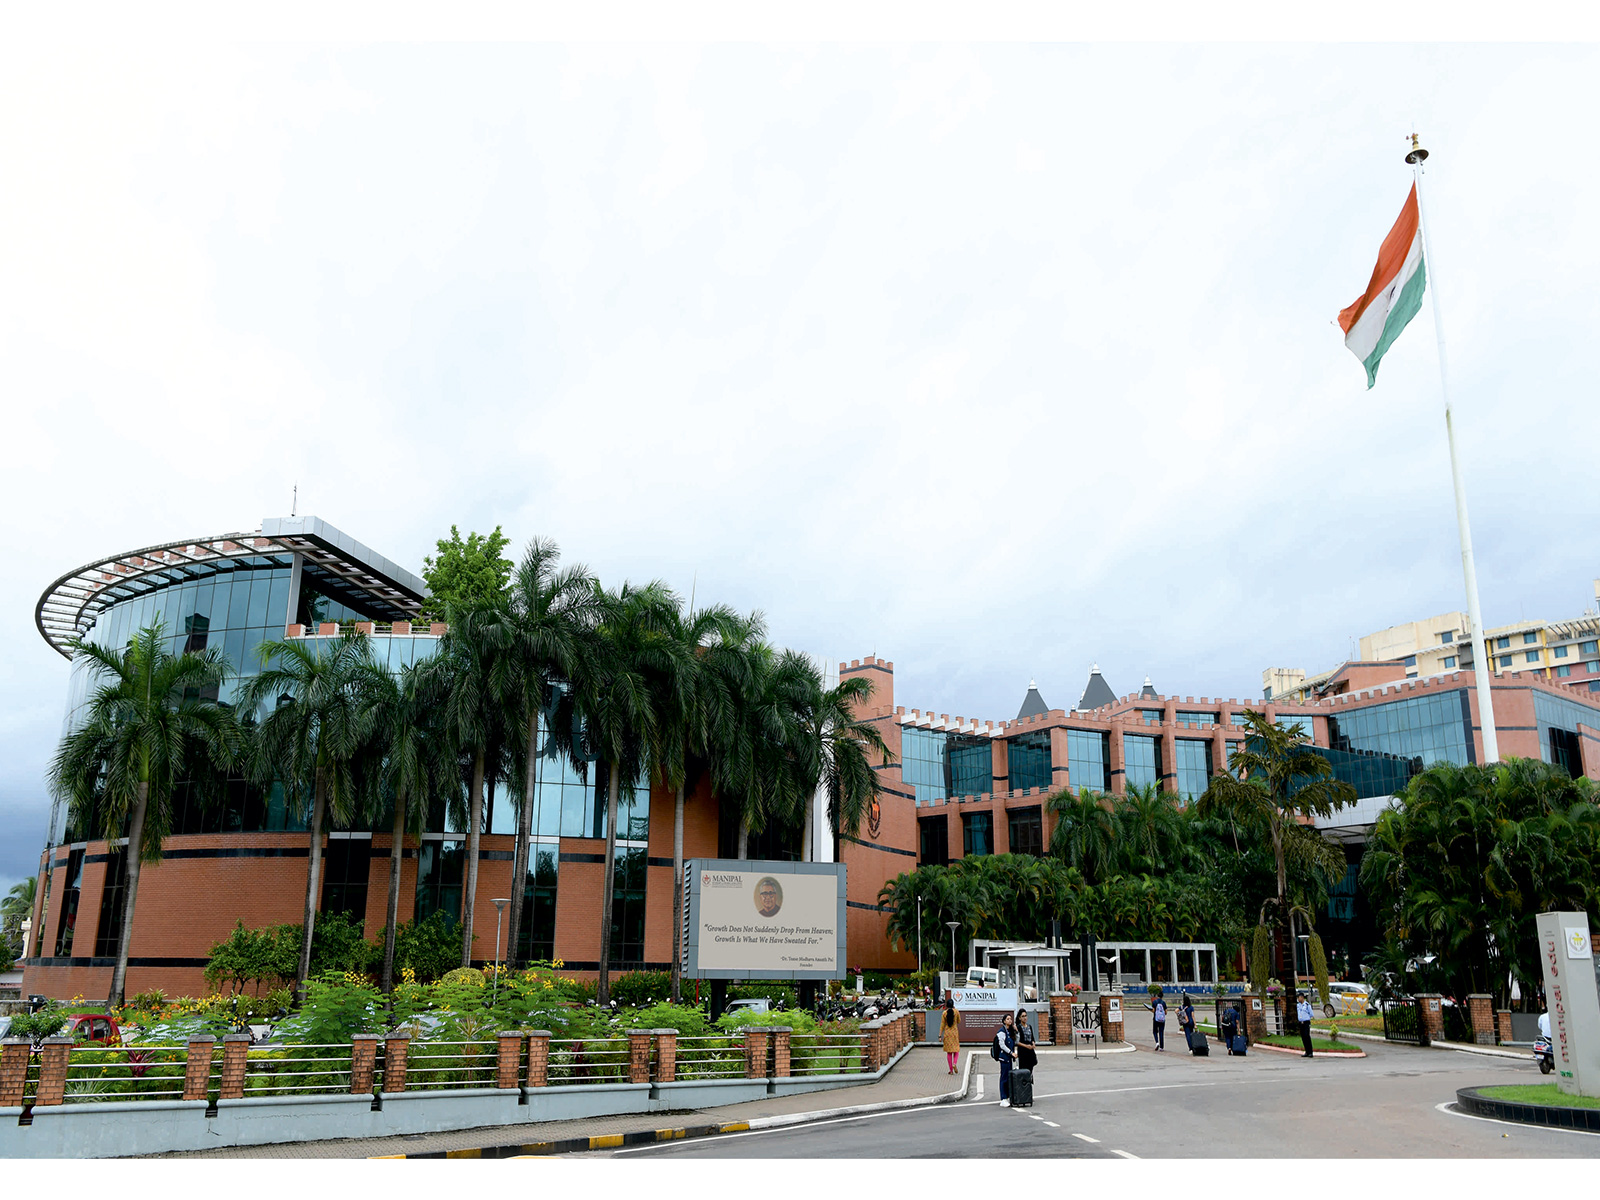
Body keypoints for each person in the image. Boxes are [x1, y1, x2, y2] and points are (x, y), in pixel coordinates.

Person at [995, 1013, 1018, 1107]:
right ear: (1004, 1021)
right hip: (1004, 1058)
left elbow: (1016, 1042)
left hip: (1009, 1058)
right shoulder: (1001, 1032)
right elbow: (1002, 1045)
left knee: (1009, 1077)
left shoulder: (1011, 1031)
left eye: (1010, 1019)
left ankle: (1008, 1096)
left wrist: (1017, 1031)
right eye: (1008, 1019)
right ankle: (1003, 1098)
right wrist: (1010, 1052)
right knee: (1004, 1077)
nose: (1010, 1020)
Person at [941, 999, 961, 1074]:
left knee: (949, 1052)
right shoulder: (956, 1012)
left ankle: (951, 1071)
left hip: (947, 1033)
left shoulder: (944, 1013)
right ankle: (954, 1063)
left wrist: (940, 1035)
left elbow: (942, 1025)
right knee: (956, 1050)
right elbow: (959, 1021)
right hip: (954, 1033)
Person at [1015, 1008, 1037, 1072]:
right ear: (1019, 1018)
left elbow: (1032, 1037)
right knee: (1024, 1070)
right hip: (1023, 1051)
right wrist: (1026, 1046)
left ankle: (1030, 1081)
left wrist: (1033, 1043)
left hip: (1030, 1051)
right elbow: (1017, 1042)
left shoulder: (1029, 1026)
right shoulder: (1018, 1027)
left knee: (1030, 1069)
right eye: (1023, 1016)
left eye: (1025, 1016)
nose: (1025, 1018)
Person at [1296, 991, 1315, 1057]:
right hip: (1301, 1023)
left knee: (1307, 1036)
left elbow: (1311, 1014)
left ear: (1302, 997)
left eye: (1299, 998)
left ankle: (1310, 1052)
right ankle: (1306, 1051)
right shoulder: (1298, 1005)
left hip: (1306, 1022)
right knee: (1303, 1037)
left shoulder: (1307, 1005)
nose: (1298, 999)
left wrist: (1307, 1018)